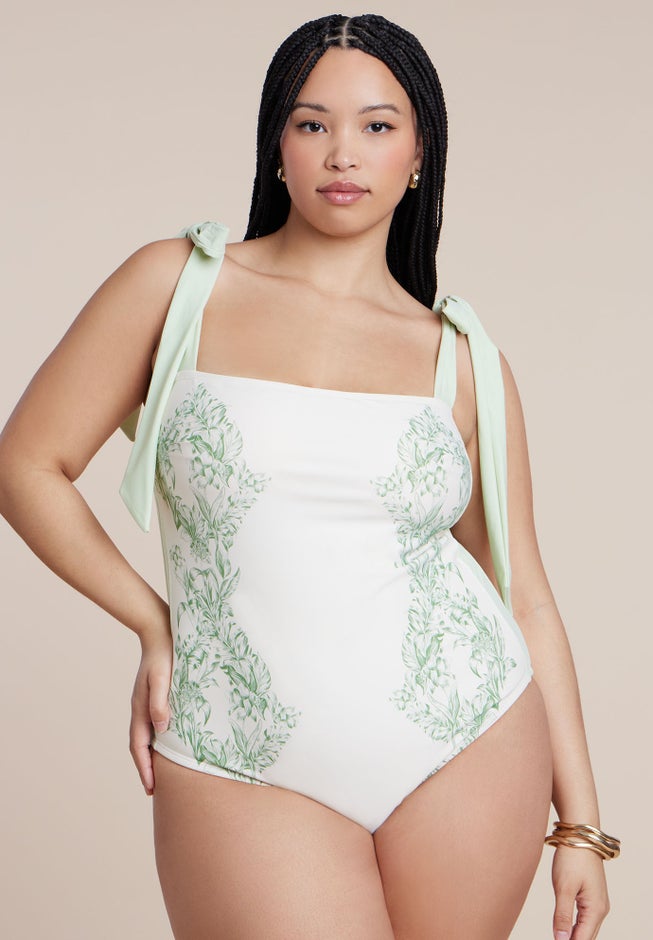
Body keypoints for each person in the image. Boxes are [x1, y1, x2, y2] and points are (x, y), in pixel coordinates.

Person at [0, 12, 619, 940]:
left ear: (419, 156)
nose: (342, 152)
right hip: (239, 750)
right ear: (277, 147)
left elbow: (522, 591)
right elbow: (26, 464)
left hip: (467, 740)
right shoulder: (177, 285)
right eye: (311, 122)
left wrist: (580, 826)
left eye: (377, 125)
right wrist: (152, 621)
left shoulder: (462, 361)